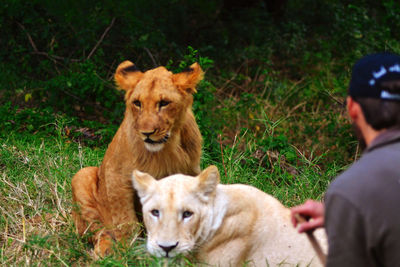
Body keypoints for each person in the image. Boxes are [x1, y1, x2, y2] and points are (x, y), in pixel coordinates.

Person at [291, 52, 400, 267]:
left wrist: (352, 208)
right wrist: (345, 216)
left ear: (352, 107)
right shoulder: (354, 195)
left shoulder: (352, 189)